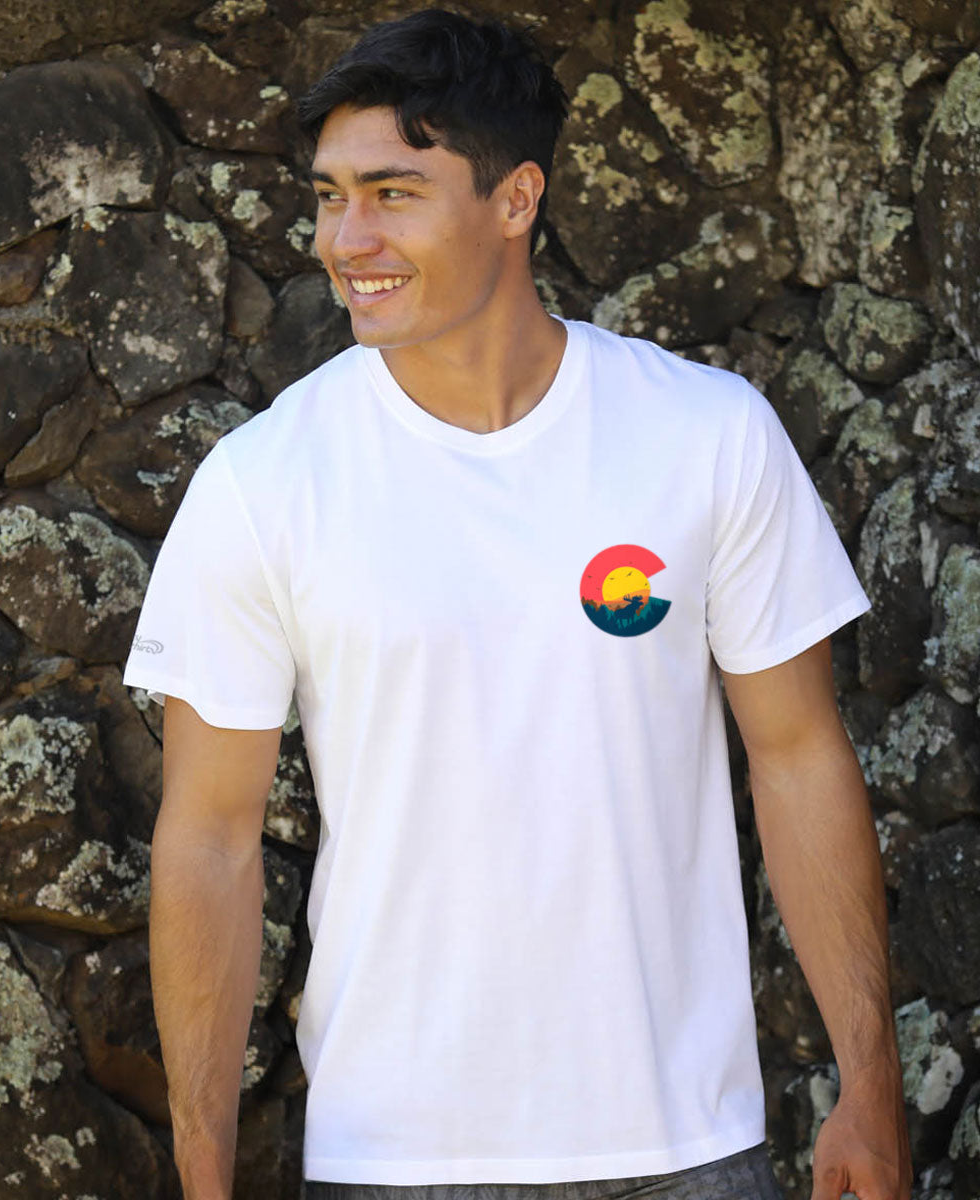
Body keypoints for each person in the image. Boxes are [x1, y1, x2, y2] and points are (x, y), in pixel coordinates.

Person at [122, 10, 912, 1200]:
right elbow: (211, 836)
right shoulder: (265, 481)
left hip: (687, 1149)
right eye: (332, 196)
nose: (347, 239)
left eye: (393, 193)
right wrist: (203, 1172)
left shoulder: (703, 436)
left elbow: (797, 755)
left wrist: (869, 1083)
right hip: (388, 1158)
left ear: (516, 197)